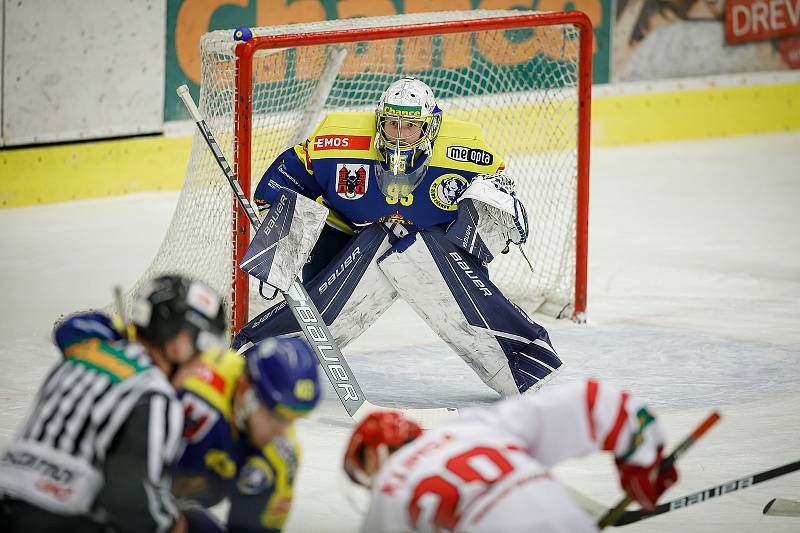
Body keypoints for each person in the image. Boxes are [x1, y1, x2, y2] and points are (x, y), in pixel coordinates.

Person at [233, 76, 562, 397]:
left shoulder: (465, 156)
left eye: (410, 126)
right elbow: (281, 187)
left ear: (428, 127)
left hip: (427, 244)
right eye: (392, 124)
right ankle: (263, 359)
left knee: (406, 240)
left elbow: (501, 203)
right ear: (380, 122)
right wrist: (282, 241)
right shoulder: (336, 146)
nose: (400, 135)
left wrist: (501, 211)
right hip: (342, 241)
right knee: (327, 305)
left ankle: (523, 360)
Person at [0, 274, 228, 533]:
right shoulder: (153, 393)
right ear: (180, 344)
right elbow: (133, 506)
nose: (201, 364)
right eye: (204, 347)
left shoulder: (80, 359)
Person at [343, 378, 679, 532]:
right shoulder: (473, 426)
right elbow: (595, 399)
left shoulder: (390, 486)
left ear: (375, 457)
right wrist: (643, 458)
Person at [172, 336, 321, 533]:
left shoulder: (281, 457)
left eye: (293, 418)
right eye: (275, 416)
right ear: (244, 390)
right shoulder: (190, 393)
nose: (281, 432)